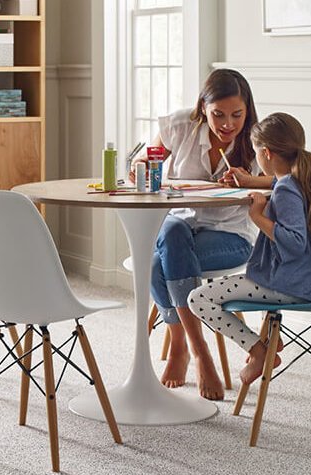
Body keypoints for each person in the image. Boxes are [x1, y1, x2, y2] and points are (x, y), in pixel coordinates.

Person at [129, 69, 273, 400]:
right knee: (172, 230)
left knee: (155, 264)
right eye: (218, 114)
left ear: (247, 109)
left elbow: (286, 181)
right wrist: (143, 167)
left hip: (230, 236)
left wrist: (250, 180)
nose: (227, 124)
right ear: (202, 108)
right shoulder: (181, 127)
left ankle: (185, 347)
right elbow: (142, 161)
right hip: (178, 229)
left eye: (237, 115)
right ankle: (195, 348)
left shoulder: (258, 140)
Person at [187, 112, 311, 385]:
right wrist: (253, 187)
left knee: (198, 299)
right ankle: (261, 349)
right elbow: (276, 186)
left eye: (256, 154)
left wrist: (257, 218)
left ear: (266, 153)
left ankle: (259, 352)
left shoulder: (286, 190)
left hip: (291, 286)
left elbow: (295, 242)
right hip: (306, 281)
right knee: (209, 295)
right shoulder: (293, 181)